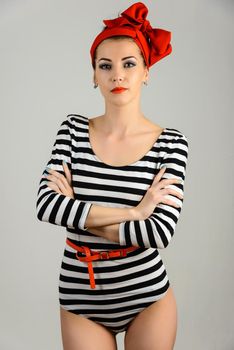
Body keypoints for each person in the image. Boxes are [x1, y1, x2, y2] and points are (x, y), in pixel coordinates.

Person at [36, 2, 189, 349]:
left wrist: (77, 210)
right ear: (94, 75)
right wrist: (134, 213)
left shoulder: (171, 144)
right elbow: (47, 206)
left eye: (129, 64)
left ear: (146, 72)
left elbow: (159, 232)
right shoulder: (72, 131)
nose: (117, 75)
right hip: (80, 300)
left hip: (147, 297)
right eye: (105, 66)